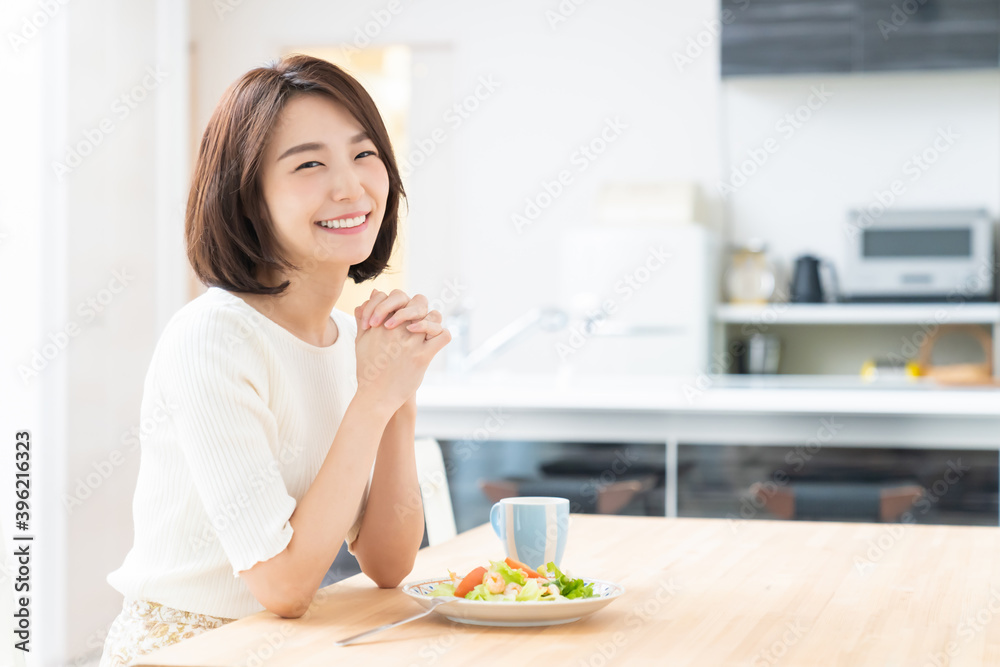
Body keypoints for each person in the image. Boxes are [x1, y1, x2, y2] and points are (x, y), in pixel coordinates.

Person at [99, 53, 451, 667]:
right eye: (309, 163)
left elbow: (390, 565)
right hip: (187, 648)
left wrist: (396, 394)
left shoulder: (346, 338)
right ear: (249, 197)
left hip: (286, 646)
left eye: (364, 154)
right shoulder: (214, 337)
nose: (351, 186)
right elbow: (282, 586)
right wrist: (372, 398)